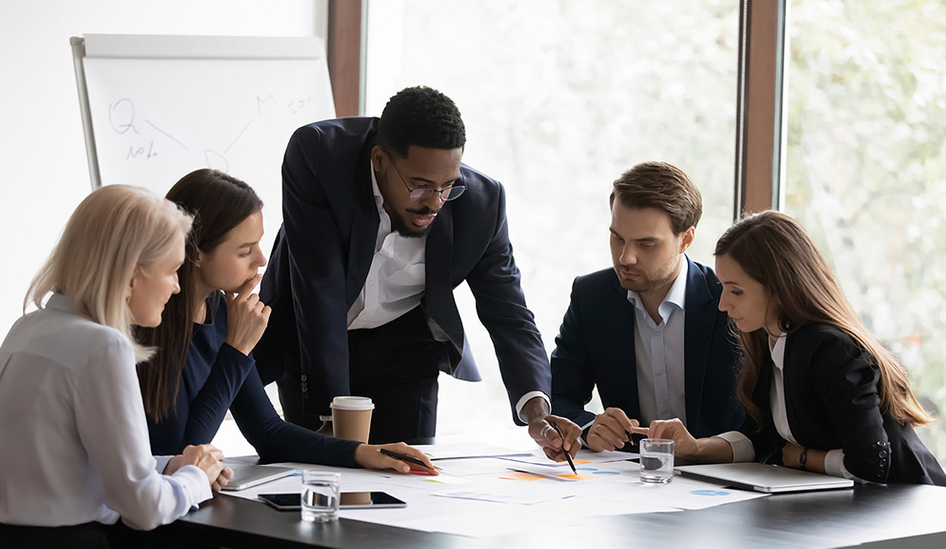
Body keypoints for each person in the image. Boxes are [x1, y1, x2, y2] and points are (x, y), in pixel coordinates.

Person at [255, 85, 580, 458]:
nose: (434, 202)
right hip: (314, 339)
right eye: (420, 186)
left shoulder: (482, 205)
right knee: (320, 473)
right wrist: (334, 416)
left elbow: (509, 312)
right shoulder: (318, 156)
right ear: (379, 160)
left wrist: (538, 413)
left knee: (410, 477)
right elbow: (320, 289)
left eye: (447, 187)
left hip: (404, 350)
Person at [0, 185, 228, 548]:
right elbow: (143, 508)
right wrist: (196, 478)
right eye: (172, 271)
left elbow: (70, 466)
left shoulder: (28, 328)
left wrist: (166, 465)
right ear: (130, 276)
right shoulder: (103, 346)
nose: (175, 287)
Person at [136, 169, 436, 473]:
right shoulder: (151, 323)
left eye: (258, 245)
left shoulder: (223, 311)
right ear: (197, 253)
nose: (261, 260)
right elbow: (181, 454)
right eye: (245, 251)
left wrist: (362, 453)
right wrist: (237, 349)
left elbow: (266, 430)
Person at [642, 210, 946, 485]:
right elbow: (760, 441)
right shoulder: (767, 339)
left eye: (736, 291)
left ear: (780, 287)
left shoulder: (830, 348)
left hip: (912, 507)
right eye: (723, 288)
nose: (723, 304)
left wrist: (801, 457)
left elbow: (871, 464)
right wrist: (695, 447)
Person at [551, 162, 743, 452]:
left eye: (647, 244)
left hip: (719, 475)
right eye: (617, 238)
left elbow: (760, 420)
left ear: (686, 240)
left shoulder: (728, 301)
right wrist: (590, 428)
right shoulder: (591, 296)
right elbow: (558, 395)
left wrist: (701, 449)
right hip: (627, 478)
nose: (626, 257)